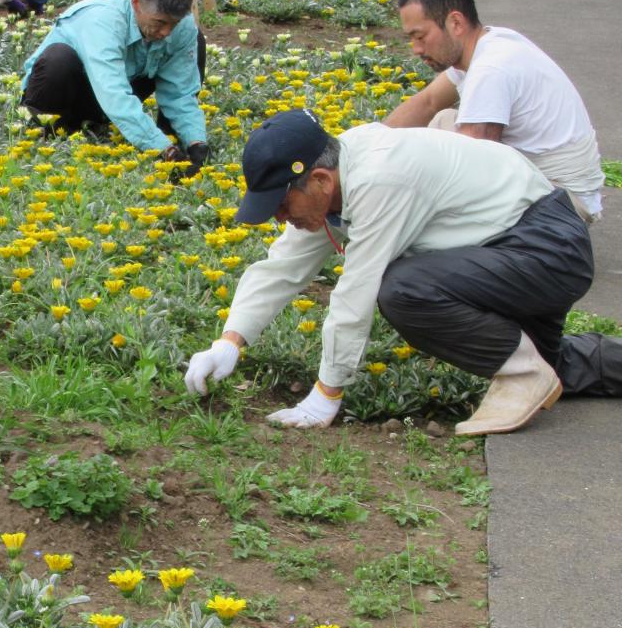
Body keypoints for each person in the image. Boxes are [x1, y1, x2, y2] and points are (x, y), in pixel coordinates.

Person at [183, 109, 622, 433]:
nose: (281, 218)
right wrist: (230, 341)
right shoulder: (337, 175)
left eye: (282, 205)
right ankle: (539, 367)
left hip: (546, 250)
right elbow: (281, 266)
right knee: (552, 360)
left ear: (319, 180)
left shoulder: (381, 178)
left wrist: (326, 394)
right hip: (511, 250)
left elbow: (355, 293)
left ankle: (522, 376)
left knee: (403, 289)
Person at [386, 0, 604, 222]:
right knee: (443, 120)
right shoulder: (488, 42)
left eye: (420, 36)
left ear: (455, 23)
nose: (416, 49)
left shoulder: (491, 68)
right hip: (548, 186)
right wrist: (366, 146)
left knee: (425, 212)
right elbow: (428, 101)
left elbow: (471, 170)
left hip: (563, 206)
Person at [21, 0, 209, 171]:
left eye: (173, 23)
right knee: (59, 59)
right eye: (159, 22)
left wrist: (196, 141)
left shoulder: (181, 25)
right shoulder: (103, 21)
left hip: (106, 94)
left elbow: (180, 92)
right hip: (61, 92)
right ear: (136, 4)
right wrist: (162, 150)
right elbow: (114, 93)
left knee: (194, 38)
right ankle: (48, 131)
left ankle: (172, 135)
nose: (165, 32)